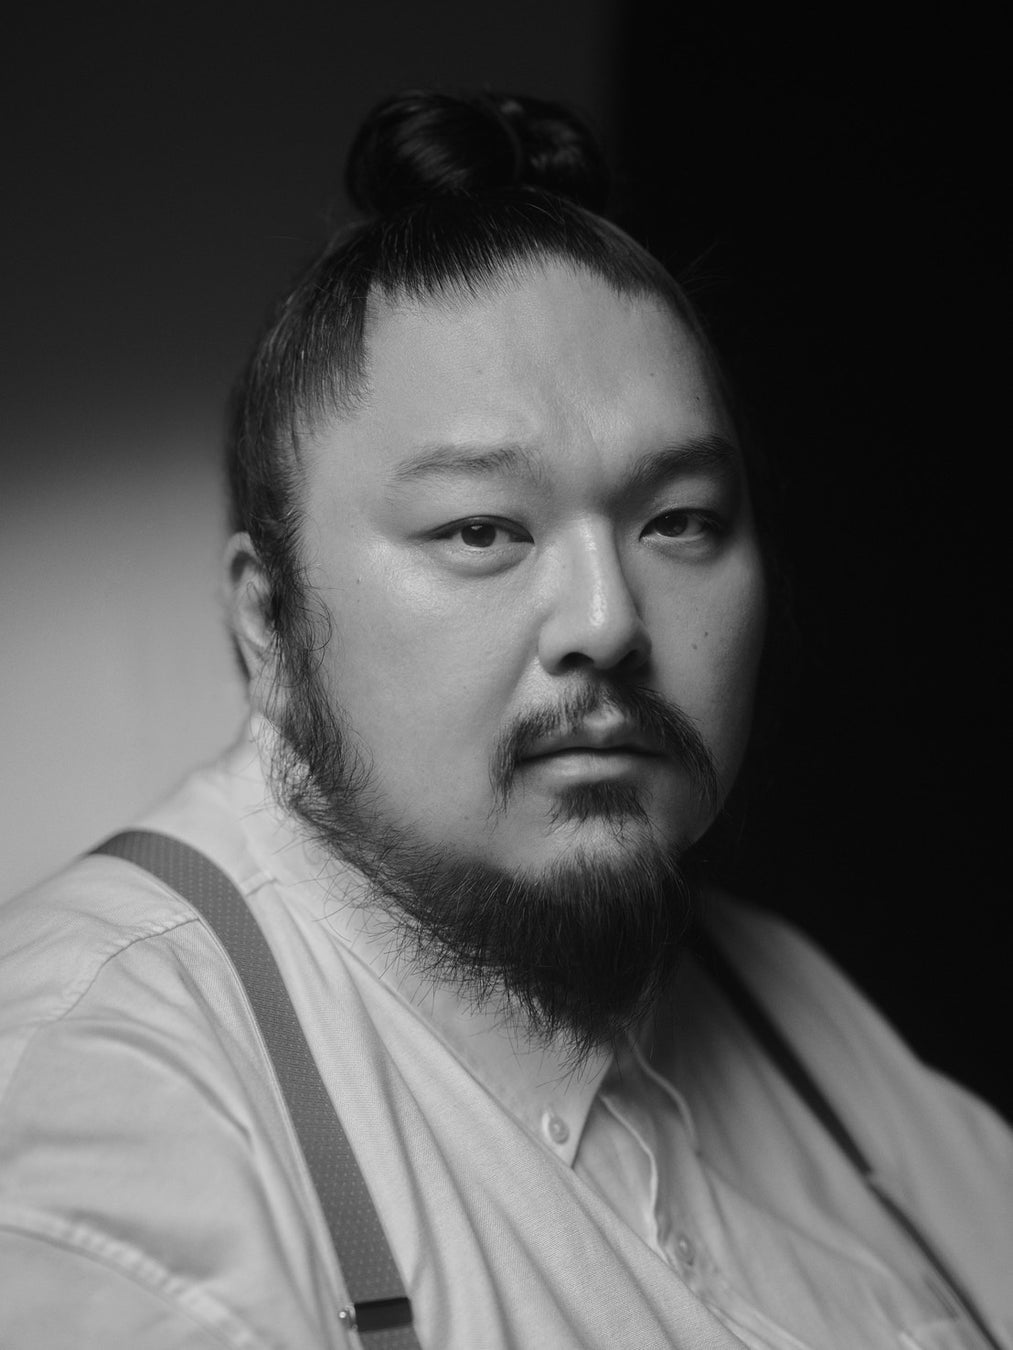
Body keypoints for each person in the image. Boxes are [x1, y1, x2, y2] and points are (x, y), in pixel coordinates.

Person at [0, 89, 1009, 1350]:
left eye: (676, 522)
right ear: (267, 620)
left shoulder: (792, 1007)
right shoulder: (96, 1109)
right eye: (481, 529)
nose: (607, 621)